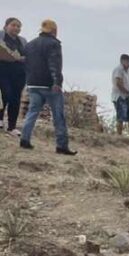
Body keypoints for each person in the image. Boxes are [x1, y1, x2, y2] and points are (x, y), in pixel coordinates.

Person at [19, 19, 75, 155]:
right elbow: (54, 64)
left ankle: (24, 140)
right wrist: (57, 82)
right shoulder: (54, 44)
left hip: (33, 83)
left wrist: (29, 80)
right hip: (49, 85)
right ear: (54, 30)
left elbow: (25, 63)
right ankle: (61, 146)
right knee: (58, 115)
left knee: (32, 112)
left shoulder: (30, 44)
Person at [0, 17, 27, 135]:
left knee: (15, 98)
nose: (16, 28)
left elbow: (26, 54)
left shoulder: (22, 41)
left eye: (18, 26)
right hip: (3, 71)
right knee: (5, 94)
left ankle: (12, 127)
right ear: (6, 26)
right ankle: (0, 119)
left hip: (19, 73)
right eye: (13, 25)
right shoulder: (1, 37)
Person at [111, 53, 129, 136]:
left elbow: (128, 84)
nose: (128, 64)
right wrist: (128, 92)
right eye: (127, 62)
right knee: (121, 117)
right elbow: (119, 83)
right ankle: (119, 135)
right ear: (122, 61)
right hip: (119, 96)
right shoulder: (118, 69)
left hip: (126, 96)